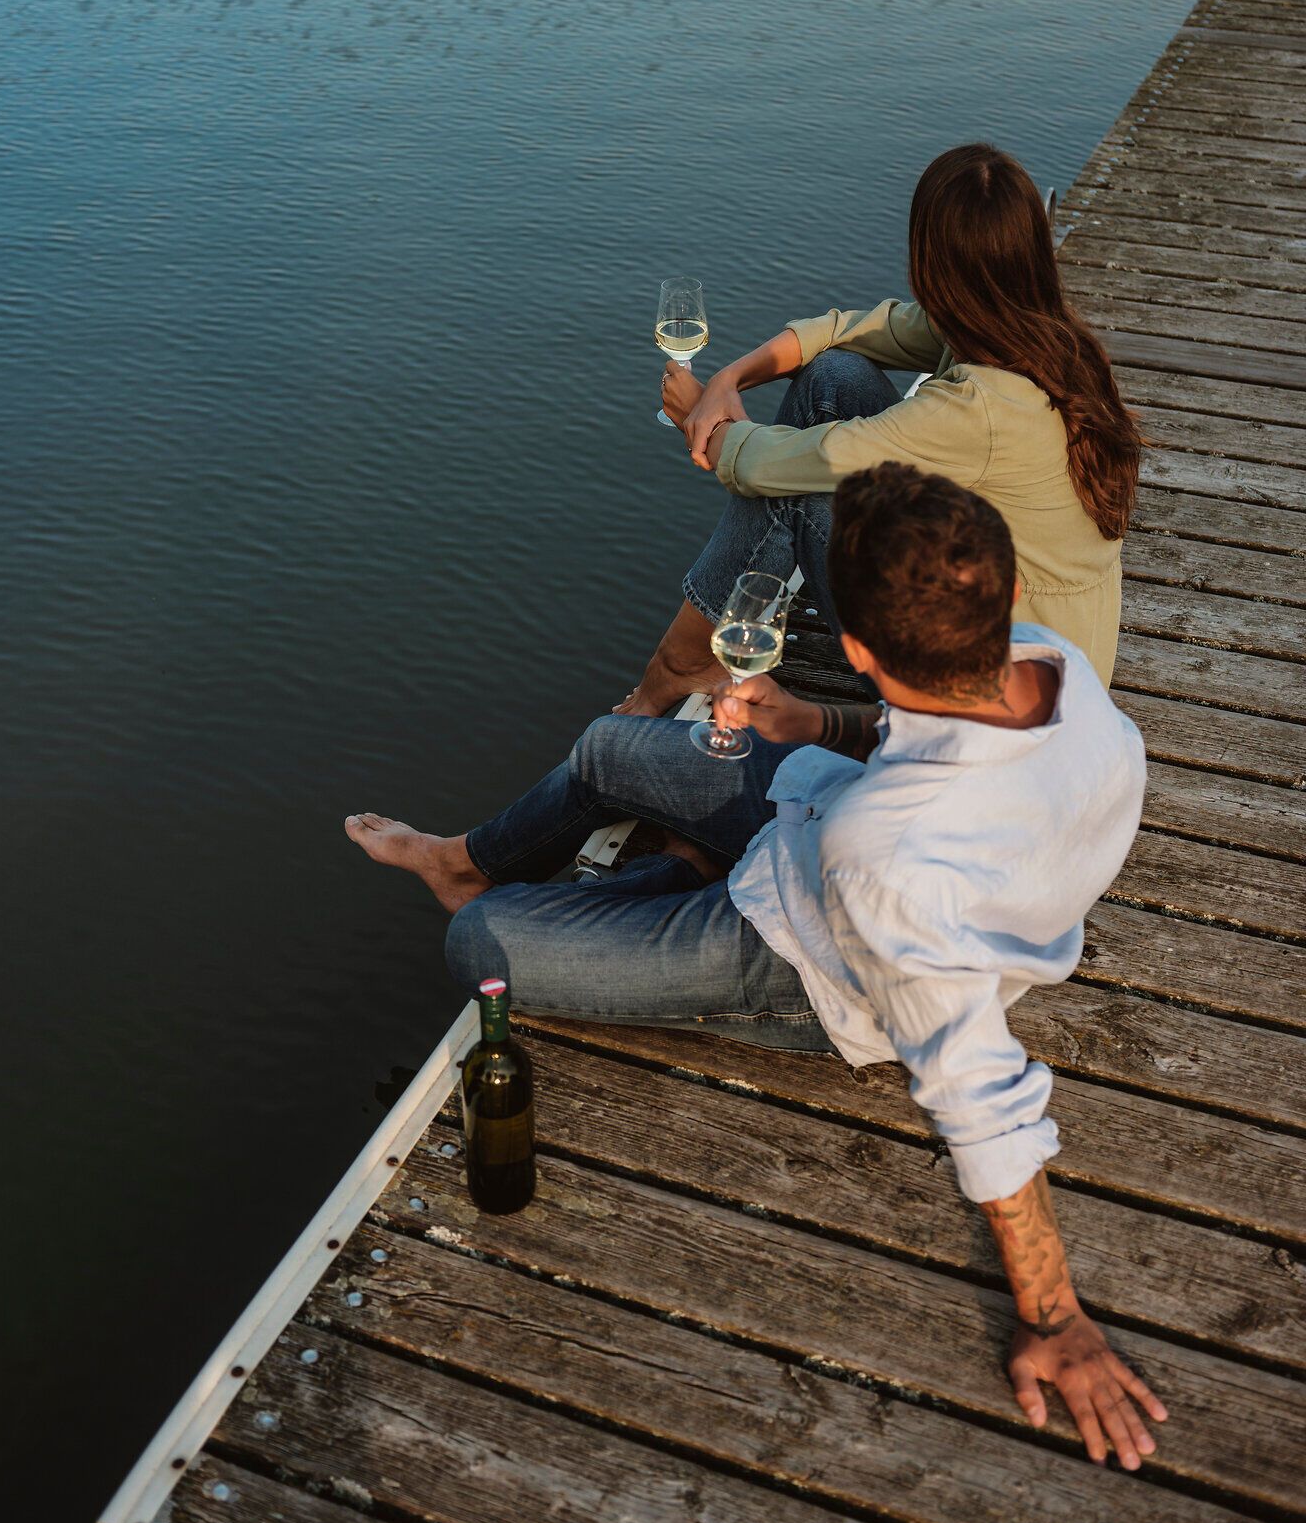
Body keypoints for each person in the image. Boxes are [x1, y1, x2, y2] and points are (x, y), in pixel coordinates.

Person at [346, 462, 1164, 1469]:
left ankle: (677, 877)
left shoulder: (894, 853)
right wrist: (812, 722)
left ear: (857, 649)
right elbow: (914, 723)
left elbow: (978, 1088)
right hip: (824, 819)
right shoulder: (1050, 661)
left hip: (814, 967)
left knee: (483, 946)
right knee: (610, 747)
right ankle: (463, 861)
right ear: (1008, 592)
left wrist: (1055, 1316)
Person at [621, 142, 1142, 714]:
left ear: (929, 261)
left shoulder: (983, 409)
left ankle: (679, 664)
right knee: (834, 376)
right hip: (1047, 633)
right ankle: (697, 653)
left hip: (1002, 683)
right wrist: (731, 378)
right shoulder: (1035, 331)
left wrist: (700, 415)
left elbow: (789, 462)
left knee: (794, 493)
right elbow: (856, 330)